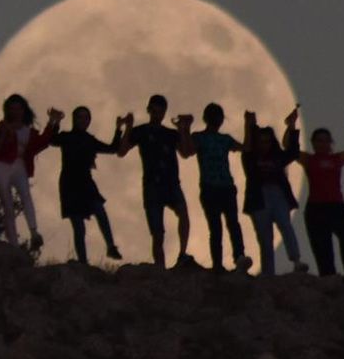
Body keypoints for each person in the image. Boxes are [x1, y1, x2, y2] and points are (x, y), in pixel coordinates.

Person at [118, 94, 192, 267]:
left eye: (161, 111)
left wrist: (184, 129)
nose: (158, 114)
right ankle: (160, 269)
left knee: (184, 215)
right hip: (152, 185)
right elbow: (121, 151)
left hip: (171, 182)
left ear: (164, 112)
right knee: (158, 233)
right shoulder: (142, 131)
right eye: (155, 110)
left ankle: (182, 254)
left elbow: (186, 152)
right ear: (149, 110)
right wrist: (128, 127)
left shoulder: (170, 133)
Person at [180, 103, 251, 273]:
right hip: (210, 187)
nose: (217, 120)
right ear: (207, 119)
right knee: (216, 227)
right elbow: (187, 152)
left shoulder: (224, 139)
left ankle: (239, 257)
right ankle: (218, 265)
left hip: (226, 187)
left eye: (219, 116)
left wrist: (248, 125)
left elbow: (246, 148)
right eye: (214, 116)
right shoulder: (199, 137)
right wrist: (185, 130)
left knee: (232, 224)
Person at [52, 106, 125, 265]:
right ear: (74, 119)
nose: (83, 121)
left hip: (85, 182)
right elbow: (52, 140)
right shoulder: (67, 137)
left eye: (86, 118)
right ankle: (83, 263)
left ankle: (111, 246)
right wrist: (55, 121)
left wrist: (118, 129)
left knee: (99, 209)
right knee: (79, 226)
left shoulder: (89, 140)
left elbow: (112, 148)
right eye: (80, 117)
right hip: (69, 184)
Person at [0, 94, 63, 250]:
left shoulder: (28, 131)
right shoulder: (3, 125)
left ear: (24, 110)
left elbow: (42, 142)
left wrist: (53, 121)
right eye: (12, 108)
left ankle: (34, 233)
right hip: (1, 163)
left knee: (26, 195)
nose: (16, 112)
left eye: (19, 108)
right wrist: (7, 132)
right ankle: (14, 246)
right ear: (8, 111)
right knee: (7, 203)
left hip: (18, 163)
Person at [241, 106, 308, 276]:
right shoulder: (251, 158)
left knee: (285, 226)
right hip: (259, 197)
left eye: (268, 141)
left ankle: (297, 261)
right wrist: (249, 125)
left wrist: (291, 125)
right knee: (265, 237)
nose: (265, 145)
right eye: (262, 141)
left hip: (278, 195)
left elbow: (292, 152)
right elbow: (247, 148)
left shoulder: (277, 156)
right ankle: (268, 272)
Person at [298, 113, 344, 276]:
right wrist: (291, 126)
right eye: (318, 140)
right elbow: (289, 148)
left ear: (330, 143)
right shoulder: (309, 159)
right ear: (313, 143)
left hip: (337, 206)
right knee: (322, 248)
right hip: (316, 209)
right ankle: (329, 279)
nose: (322, 143)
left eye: (325, 140)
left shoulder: (337, 159)